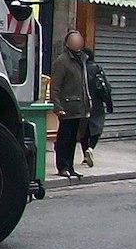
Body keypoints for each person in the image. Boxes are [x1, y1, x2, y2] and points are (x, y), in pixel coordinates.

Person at [49, 30, 94, 180]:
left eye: (79, 39)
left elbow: (84, 84)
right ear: (68, 43)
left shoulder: (82, 59)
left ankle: (70, 167)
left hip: (79, 106)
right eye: (75, 40)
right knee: (64, 138)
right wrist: (57, 106)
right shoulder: (62, 61)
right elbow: (55, 86)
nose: (78, 42)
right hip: (67, 106)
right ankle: (62, 166)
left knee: (73, 138)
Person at [81, 47, 115, 168]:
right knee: (97, 128)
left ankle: (85, 155)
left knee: (84, 131)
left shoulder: (80, 68)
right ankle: (90, 148)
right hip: (97, 104)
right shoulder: (97, 68)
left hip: (82, 104)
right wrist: (109, 104)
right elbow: (106, 87)